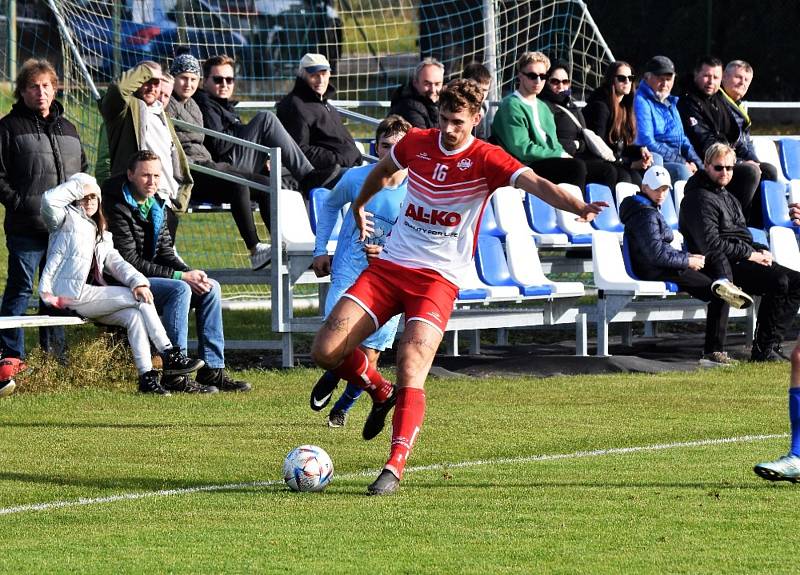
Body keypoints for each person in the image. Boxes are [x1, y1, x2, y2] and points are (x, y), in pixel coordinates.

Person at [310, 79, 606, 495]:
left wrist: (577, 205)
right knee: (324, 350)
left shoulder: (487, 158)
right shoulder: (416, 143)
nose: (450, 129)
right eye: (445, 119)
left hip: (437, 280)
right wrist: (358, 206)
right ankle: (379, 391)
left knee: (412, 366)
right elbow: (382, 170)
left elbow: (537, 183)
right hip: (390, 267)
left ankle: (394, 466)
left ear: (476, 118)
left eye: (458, 122)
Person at [39, 173, 207, 395]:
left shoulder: (100, 230)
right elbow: (49, 200)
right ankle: (169, 354)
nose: (89, 201)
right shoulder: (63, 220)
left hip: (92, 297)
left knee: (134, 317)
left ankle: (146, 378)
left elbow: (117, 263)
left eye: (93, 197)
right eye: (83, 197)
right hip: (66, 296)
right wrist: (81, 185)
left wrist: (139, 282)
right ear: (75, 198)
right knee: (139, 300)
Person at [104, 150, 251, 393]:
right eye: (145, 176)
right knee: (180, 289)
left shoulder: (156, 204)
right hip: (124, 282)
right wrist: (181, 277)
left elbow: (165, 252)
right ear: (130, 175)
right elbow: (128, 261)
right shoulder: (116, 206)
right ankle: (175, 372)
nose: (152, 182)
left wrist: (191, 273)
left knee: (210, 287)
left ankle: (213, 370)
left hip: (151, 278)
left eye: (156, 175)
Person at [310, 115, 411, 428]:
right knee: (336, 336)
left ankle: (342, 407)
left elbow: (418, 236)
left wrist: (389, 251)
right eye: (385, 146)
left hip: (390, 278)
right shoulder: (357, 178)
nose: (391, 153)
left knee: (369, 357)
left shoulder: (417, 191)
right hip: (349, 271)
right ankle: (335, 371)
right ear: (376, 147)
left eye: (399, 147)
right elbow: (327, 205)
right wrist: (320, 250)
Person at [619, 165, 752, 365]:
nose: (661, 194)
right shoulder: (645, 214)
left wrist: (685, 256)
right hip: (658, 269)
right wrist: (687, 260)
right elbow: (655, 255)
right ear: (644, 187)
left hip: (662, 266)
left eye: (665, 189)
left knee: (715, 267)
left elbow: (657, 250)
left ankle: (726, 283)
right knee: (720, 293)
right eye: (657, 189)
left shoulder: (646, 209)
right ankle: (714, 352)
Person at [680, 143, 800, 362]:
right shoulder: (697, 198)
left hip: (741, 257)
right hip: (718, 263)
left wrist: (760, 249)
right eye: (719, 168)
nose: (725, 172)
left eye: (729, 168)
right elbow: (711, 245)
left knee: (796, 282)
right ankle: (763, 350)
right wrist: (750, 255)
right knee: (779, 281)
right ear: (706, 165)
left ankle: (770, 345)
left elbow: (741, 235)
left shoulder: (728, 196)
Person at [0, 58, 86, 361]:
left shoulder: (69, 129)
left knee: (54, 296)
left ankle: (55, 359)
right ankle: (11, 357)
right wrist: (20, 204)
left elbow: (82, 173)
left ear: (55, 88)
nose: (41, 92)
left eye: (46, 85)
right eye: (34, 86)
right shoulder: (8, 128)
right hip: (26, 229)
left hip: (63, 231)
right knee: (20, 290)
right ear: (22, 91)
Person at [164, 52, 271, 270]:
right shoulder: (168, 103)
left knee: (266, 184)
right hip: (189, 171)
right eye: (183, 78)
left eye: (193, 79)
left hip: (208, 165)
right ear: (173, 78)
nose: (188, 84)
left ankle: (281, 246)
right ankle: (254, 249)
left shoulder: (193, 106)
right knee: (238, 184)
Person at [193, 54, 339, 194]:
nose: (224, 84)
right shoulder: (206, 104)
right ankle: (309, 176)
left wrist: (263, 156)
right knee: (266, 118)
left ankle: (311, 188)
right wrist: (242, 128)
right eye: (218, 80)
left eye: (229, 80)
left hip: (240, 161)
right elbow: (220, 145)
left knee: (292, 176)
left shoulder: (224, 105)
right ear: (205, 81)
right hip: (225, 168)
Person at [99, 60, 192, 242]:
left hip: (167, 203)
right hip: (136, 202)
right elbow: (118, 90)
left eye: (155, 82)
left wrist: (180, 199)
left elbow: (177, 161)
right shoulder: (123, 112)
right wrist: (146, 70)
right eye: (146, 80)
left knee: (162, 264)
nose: (151, 87)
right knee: (139, 264)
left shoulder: (162, 114)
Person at [677, 56, 763, 226]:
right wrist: (738, 161)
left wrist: (752, 160)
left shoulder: (719, 100)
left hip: (727, 157)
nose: (711, 81)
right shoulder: (688, 102)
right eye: (706, 76)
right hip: (710, 162)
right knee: (750, 173)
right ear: (696, 75)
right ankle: (736, 223)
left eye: (715, 77)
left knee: (766, 170)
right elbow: (704, 141)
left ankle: (758, 227)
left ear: (720, 78)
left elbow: (735, 137)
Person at [491, 52, 587, 191]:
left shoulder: (543, 107)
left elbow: (554, 143)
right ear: (520, 76)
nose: (537, 81)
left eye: (543, 77)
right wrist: (559, 155)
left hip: (545, 162)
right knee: (576, 168)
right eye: (532, 76)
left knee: (606, 171)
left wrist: (562, 154)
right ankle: (575, 209)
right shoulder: (511, 105)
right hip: (524, 166)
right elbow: (522, 149)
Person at [275, 53, 362, 174]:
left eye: (324, 74)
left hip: (347, 167)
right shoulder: (294, 106)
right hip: (324, 175)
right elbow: (298, 151)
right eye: (314, 75)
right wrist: (338, 159)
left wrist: (352, 155)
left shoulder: (325, 104)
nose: (321, 80)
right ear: (302, 75)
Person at [539, 61, 620, 189]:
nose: (561, 86)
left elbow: (584, 136)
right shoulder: (543, 106)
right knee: (604, 171)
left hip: (579, 154)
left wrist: (578, 145)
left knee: (618, 171)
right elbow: (547, 139)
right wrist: (575, 145)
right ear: (546, 83)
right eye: (555, 82)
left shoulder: (572, 106)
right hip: (560, 158)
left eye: (565, 82)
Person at [583, 61, 654, 188]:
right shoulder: (600, 106)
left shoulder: (625, 106)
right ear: (611, 80)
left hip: (614, 160)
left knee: (643, 175)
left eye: (630, 78)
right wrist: (630, 164)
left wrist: (640, 150)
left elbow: (621, 145)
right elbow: (599, 148)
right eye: (621, 78)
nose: (627, 82)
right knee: (626, 178)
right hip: (598, 160)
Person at [634, 55, 702, 184]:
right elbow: (647, 141)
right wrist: (683, 162)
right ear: (648, 78)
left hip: (676, 159)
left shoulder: (671, 102)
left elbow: (683, 140)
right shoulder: (640, 101)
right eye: (660, 79)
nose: (665, 84)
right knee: (682, 171)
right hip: (655, 160)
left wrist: (699, 164)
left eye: (669, 79)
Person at [720, 60, 779, 181]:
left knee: (768, 170)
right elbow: (728, 142)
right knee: (759, 171)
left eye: (746, 80)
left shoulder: (738, 106)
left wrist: (755, 161)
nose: (742, 83)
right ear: (724, 77)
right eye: (738, 77)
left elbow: (746, 142)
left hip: (742, 158)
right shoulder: (718, 103)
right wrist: (747, 161)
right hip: (725, 161)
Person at [388, 57, 445, 129]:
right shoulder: (409, 107)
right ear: (415, 83)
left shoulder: (442, 102)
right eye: (427, 84)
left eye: (437, 84)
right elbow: (423, 137)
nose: (433, 90)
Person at [461, 61, 492, 140]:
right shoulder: (452, 106)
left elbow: (480, 139)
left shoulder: (481, 109)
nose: (481, 94)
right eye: (477, 88)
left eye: (484, 90)